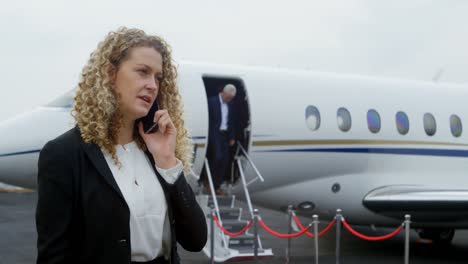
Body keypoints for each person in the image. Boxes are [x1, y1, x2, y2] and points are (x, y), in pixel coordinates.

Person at [35, 27, 207, 264]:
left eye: (158, 77)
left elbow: (196, 240)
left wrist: (167, 160)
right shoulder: (63, 154)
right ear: (110, 73)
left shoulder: (155, 150)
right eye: (142, 72)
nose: (153, 85)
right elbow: (53, 257)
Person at [206, 84, 237, 195]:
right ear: (223, 93)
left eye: (231, 98)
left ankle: (217, 185)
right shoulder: (212, 101)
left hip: (225, 135)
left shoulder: (230, 104)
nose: (229, 100)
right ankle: (209, 183)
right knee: (217, 157)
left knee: (225, 161)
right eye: (228, 97)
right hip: (214, 134)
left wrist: (232, 136)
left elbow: (231, 121)